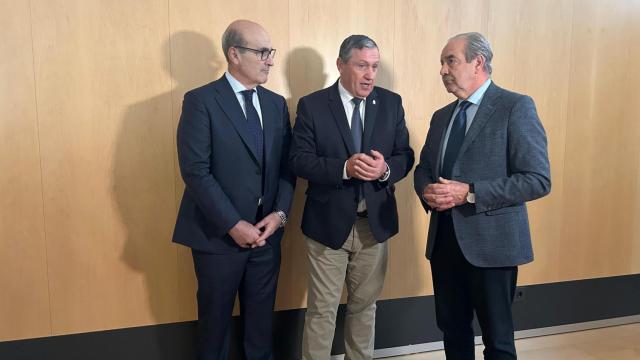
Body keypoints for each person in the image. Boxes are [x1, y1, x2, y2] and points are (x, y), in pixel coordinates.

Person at [413, 32, 551, 359]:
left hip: (493, 247)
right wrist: (427, 190)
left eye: (451, 61)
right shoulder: (442, 117)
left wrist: (470, 193)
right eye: (442, 62)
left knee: (498, 341)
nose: (443, 70)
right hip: (444, 243)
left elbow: (537, 179)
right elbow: (424, 170)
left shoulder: (515, 107)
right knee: (453, 332)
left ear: (478, 62)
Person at [172, 19, 295, 360]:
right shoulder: (200, 101)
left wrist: (279, 215)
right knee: (214, 332)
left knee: (260, 331)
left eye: (271, 52)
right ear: (234, 54)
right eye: (262, 52)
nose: (270, 59)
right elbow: (196, 172)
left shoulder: (275, 104)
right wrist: (232, 224)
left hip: (266, 237)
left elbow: (288, 168)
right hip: (217, 239)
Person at [290, 35, 414, 360]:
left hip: (374, 226)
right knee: (322, 311)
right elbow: (298, 159)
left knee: (364, 307)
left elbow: (405, 155)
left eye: (374, 66)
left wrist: (386, 169)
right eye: (362, 65)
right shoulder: (312, 105)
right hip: (328, 227)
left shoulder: (390, 103)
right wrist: (344, 168)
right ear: (341, 65)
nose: (370, 74)